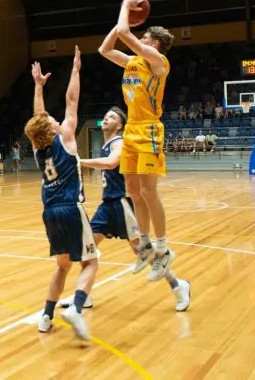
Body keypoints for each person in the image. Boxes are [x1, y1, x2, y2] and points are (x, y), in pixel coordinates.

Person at [60, 107, 191, 312]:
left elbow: (112, 163)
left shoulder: (120, 143)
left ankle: (178, 285)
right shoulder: (106, 144)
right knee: (86, 248)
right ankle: (83, 294)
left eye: (111, 117)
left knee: (144, 253)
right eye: (105, 115)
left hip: (123, 205)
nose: (106, 118)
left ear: (119, 125)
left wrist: (79, 161)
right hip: (107, 206)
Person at [98, 0, 176, 282]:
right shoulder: (132, 61)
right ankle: (145, 245)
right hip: (131, 129)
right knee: (133, 191)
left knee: (149, 191)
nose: (139, 39)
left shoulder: (158, 62)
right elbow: (105, 49)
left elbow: (124, 33)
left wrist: (125, 8)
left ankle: (163, 249)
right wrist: (124, 22)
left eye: (144, 37)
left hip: (149, 130)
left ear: (154, 43)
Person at [25, 46, 98, 341]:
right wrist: (76, 70)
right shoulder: (65, 137)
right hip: (70, 207)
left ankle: (46, 315)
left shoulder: (37, 148)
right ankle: (76, 308)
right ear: (52, 128)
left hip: (50, 213)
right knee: (90, 262)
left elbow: (38, 116)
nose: (54, 118)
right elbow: (72, 100)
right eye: (51, 119)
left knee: (62, 266)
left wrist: (38, 86)